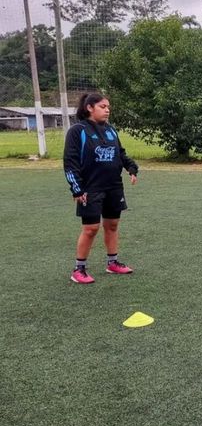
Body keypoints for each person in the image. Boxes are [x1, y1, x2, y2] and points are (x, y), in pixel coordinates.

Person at [64, 93, 138, 284]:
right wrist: (77, 189)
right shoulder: (77, 131)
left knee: (112, 225)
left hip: (113, 186)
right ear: (89, 107)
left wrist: (131, 167)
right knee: (91, 228)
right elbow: (70, 163)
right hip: (91, 188)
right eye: (103, 106)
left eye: (108, 107)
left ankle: (112, 263)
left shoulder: (111, 130)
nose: (107, 110)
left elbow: (119, 153)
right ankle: (78, 269)